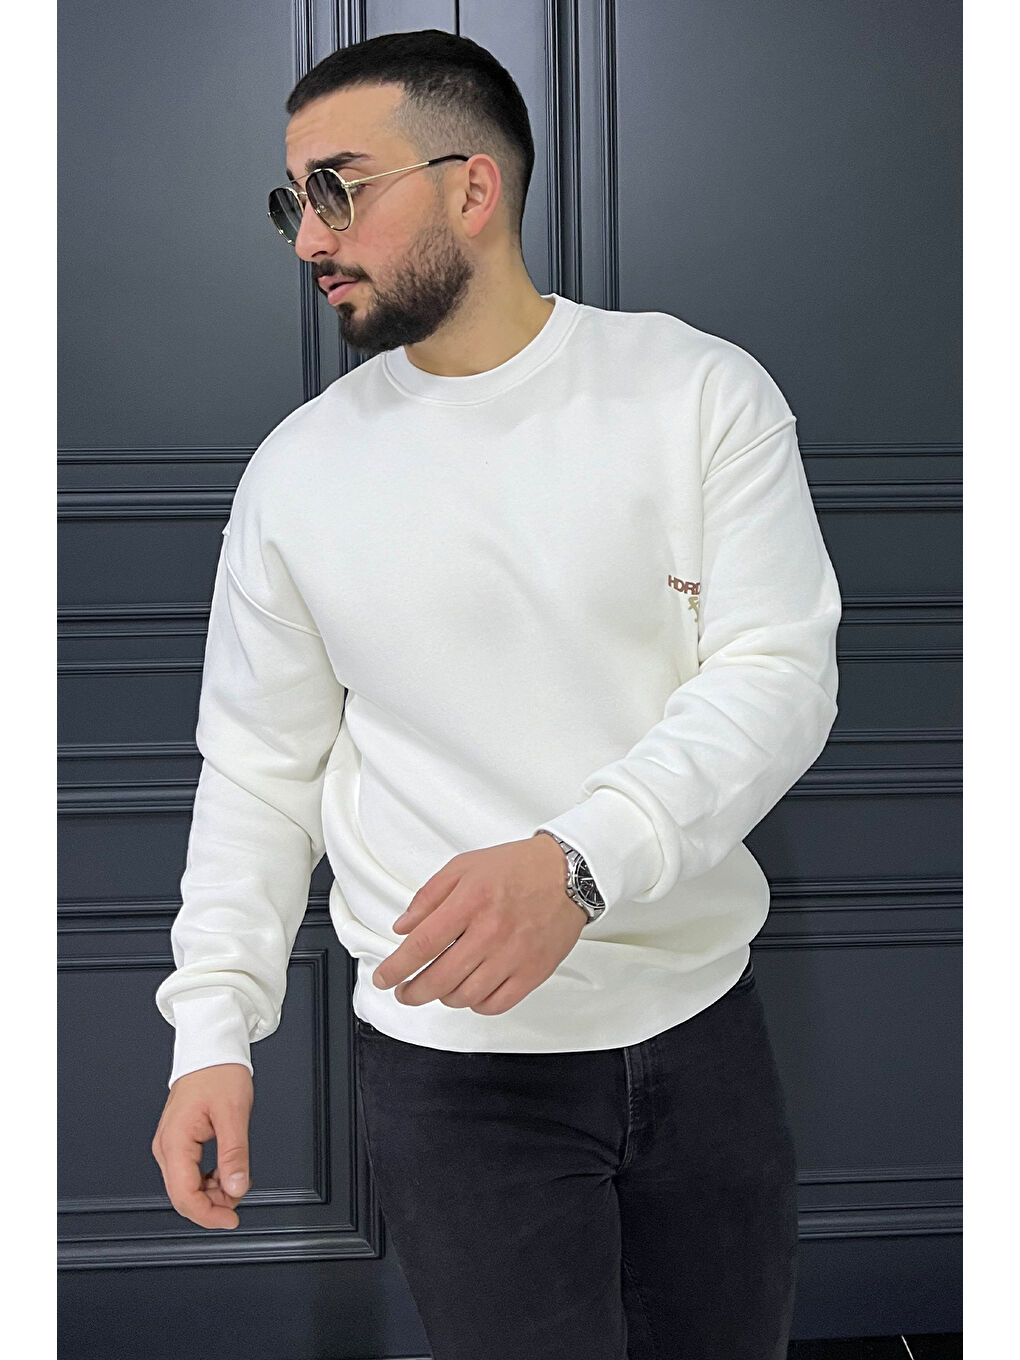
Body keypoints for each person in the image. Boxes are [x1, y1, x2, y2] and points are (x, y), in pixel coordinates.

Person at [150, 28, 841, 1360]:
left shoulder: (696, 393)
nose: (309, 237)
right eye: (295, 201)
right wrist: (211, 1031)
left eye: (340, 188)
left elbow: (777, 674)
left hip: (701, 1027)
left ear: (474, 187)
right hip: (452, 1070)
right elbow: (257, 769)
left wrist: (577, 863)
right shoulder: (297, 475)